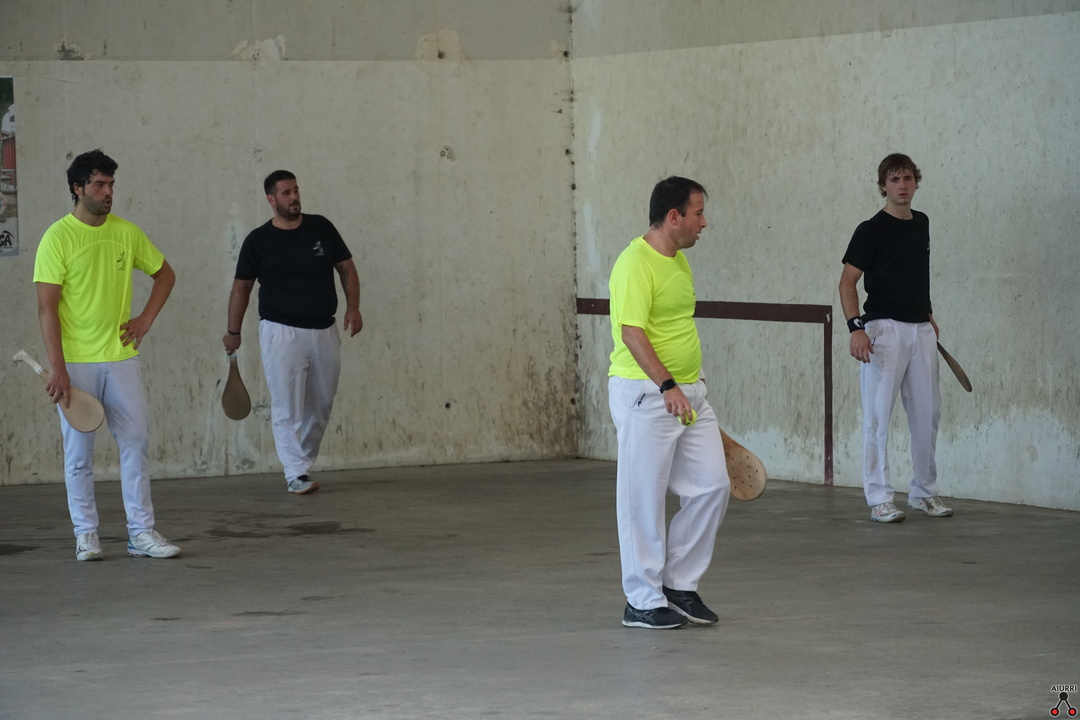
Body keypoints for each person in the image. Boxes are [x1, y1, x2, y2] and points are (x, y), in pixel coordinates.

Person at [33, 149, 181, 561]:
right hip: (75, 364)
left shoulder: (126, 233)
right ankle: (86, 535)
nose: (107, 191)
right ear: (78, 188)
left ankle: (141, 533)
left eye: (111, 184)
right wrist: (58, 368)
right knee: (78, 455)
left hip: (121, 359)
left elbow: (165, 275)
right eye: (99, 184)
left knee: (135, 443)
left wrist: (145, 319)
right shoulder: (57, 238)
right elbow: (46, 309)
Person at [607, 176, 731, 629]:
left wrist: (693, 382)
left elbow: (677, 326)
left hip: (689, 393)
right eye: (698, 213)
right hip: (648, 394)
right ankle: (641, 599)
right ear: (674, 216)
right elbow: (632, 333)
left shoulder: (678, 261)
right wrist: (667, 385)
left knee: (712, 486)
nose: (704, 222)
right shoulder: (634, 263)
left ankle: (678, 584)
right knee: (643, 497)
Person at [223, 170, 362, 495]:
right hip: (280, 332)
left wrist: (353, 308)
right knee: (287, 406)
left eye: (296, 190)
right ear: (271, 200)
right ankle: (295, 472)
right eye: (286, 193)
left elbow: (347, 269)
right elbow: (241, 288)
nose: (294, 197)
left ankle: (303, 465)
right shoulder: (258, 240)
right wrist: (233, 331)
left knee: (321, 406)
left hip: (325, 330)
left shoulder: (321, 228)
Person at [839, 153, 953, 523]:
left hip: (921, 331)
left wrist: (928, 313)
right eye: (894, 180)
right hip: (883, 331)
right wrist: (856, 328)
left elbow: (917, 273)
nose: (902, 186)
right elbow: (847, 282)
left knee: (927, 415)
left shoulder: (922, 223)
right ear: (883, 186)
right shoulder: (870, 230)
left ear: (915, 182)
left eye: (907, 179)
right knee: (877, 418)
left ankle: (924, 493)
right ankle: (879, 499)